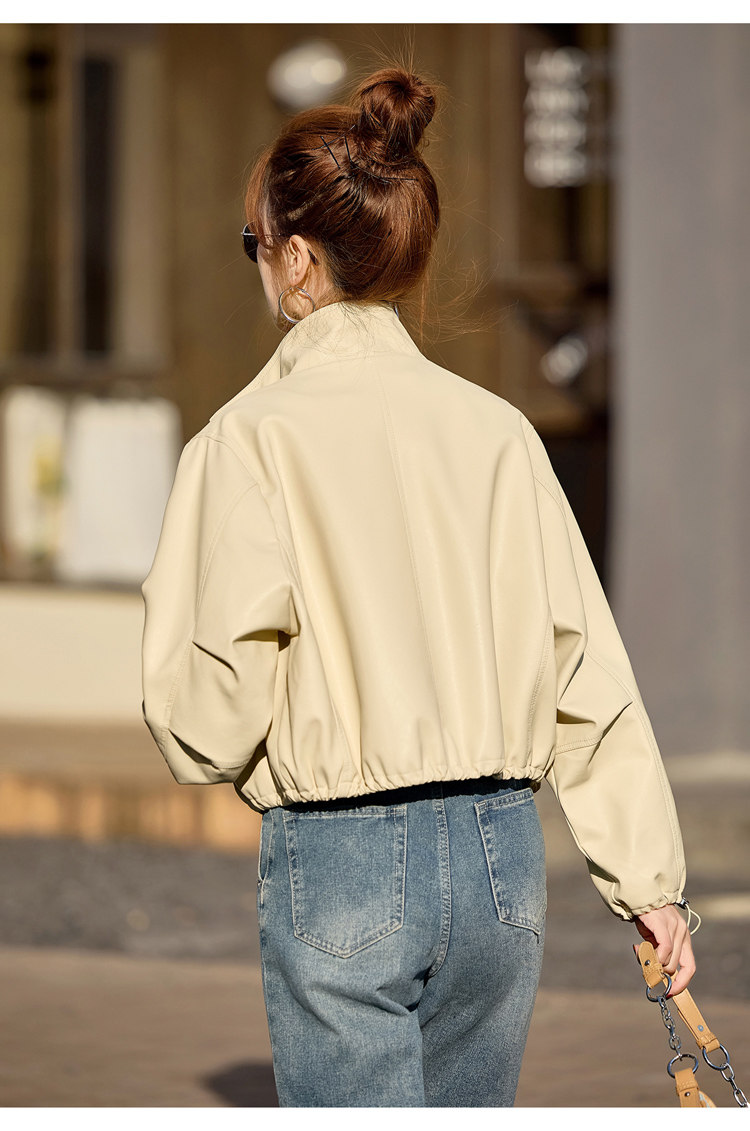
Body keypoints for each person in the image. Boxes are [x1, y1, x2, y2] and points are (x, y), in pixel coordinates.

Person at [141, 66, 695, 1108]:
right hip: (500, 854)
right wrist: (649, 885)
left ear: (297, 258)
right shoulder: (499, 433)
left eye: (253, 243)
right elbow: (586, 671)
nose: (258, 263)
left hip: (341, 850)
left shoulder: (247, 443)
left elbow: (208, 720)